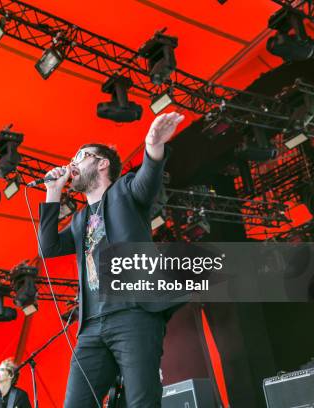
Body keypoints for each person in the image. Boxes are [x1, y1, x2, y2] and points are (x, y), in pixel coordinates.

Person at [38, 112, 185, 408]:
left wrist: (154, 147)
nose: (72, 163)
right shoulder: (80, 221)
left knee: (142, 402)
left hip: (133, 315)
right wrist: (52, 193)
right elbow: (48, 247)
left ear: (102, 163)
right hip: (91, 326)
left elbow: (148, 179)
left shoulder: (125, 191)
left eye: (81, 156)